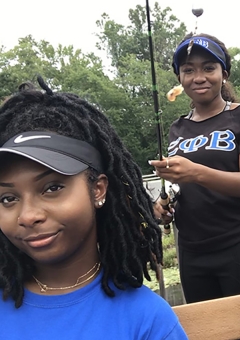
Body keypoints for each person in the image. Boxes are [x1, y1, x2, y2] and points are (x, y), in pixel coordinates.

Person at [0, 78, 188, 339]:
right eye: (8, 198)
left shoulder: (146, 320)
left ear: (98, 189)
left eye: (52, 188)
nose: (28, 216)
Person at [150, 33, 240, 304]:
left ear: (224, 74)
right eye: (188, 70)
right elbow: (181, 186)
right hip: (193, 252)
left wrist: (193, 171)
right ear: (180, 79)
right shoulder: (177, 128)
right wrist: (164, 204)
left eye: (209, 68)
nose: (199, 77)